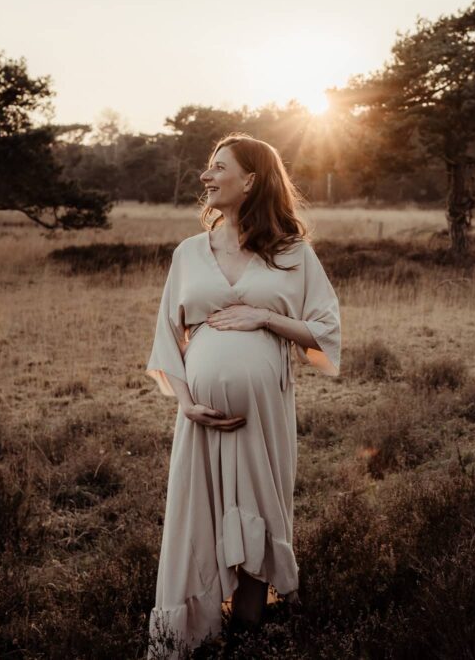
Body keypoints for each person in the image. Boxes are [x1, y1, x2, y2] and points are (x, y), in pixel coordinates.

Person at [144, 133, 342, 658]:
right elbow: (167, 339)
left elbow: (324, 335)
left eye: (217, 167)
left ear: (250, 180)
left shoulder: (292, 254)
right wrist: (186, 403)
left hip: (263, 416)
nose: (205, 177)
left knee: (257, 510)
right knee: (198, 521)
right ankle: (193, 638)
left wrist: (265, 317)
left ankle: (249, 640)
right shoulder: (188, 254)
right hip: (201, 419)